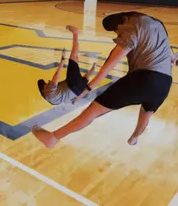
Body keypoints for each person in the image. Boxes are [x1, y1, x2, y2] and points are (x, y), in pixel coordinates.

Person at [32, 12, 177, 148]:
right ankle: (134, 138)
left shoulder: (130, 29)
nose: (118, 35)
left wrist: (86, 90)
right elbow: (173, 57)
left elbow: (106, 68)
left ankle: (54, 137)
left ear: (124, 20)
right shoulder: (158, 25)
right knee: (147, 111)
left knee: (93, 111)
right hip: (165, 84)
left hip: (142, 79)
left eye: (117, 31)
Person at [37, 25, 96, 105]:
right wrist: (62, 61)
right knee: (73, 57)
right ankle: (75, 33)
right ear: (43, 90)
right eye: (45, 84)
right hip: (72, 85)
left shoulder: (52, 101)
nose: (47, 84)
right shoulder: (48, 91)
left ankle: (93, 69)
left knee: (83, 77)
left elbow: (63, 95)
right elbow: (56, 76)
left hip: (77, 92)